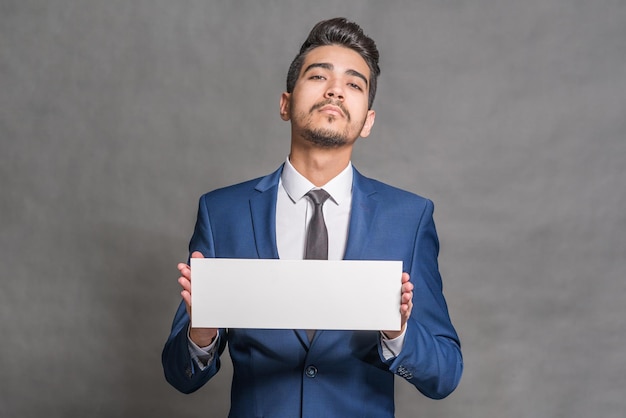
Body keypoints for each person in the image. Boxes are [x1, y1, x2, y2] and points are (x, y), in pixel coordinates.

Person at [162, 17, 463, 417]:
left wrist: (397, 333)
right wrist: (202, 335)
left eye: (354, 84)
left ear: (368, 120)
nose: (335, 90)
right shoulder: (222, 213)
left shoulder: (409, 218)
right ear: (286, 104)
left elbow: (445, 374)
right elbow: (180, 375)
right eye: (319, 76)